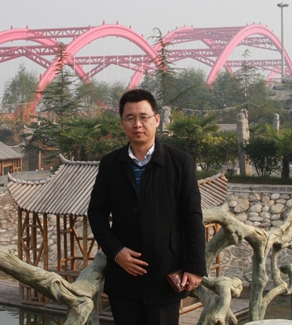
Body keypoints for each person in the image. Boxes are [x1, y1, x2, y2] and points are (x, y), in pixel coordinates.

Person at [88, 89, 206, 325]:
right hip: (124, 276)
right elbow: (96, 213)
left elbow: (192, 216)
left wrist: (195, 266)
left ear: (157, 119)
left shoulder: (180, 162)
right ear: (122, 123)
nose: (137, 124)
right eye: (130, 118)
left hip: (165, 274)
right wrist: (116, 251)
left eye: (144, 117)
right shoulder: (111, 163)